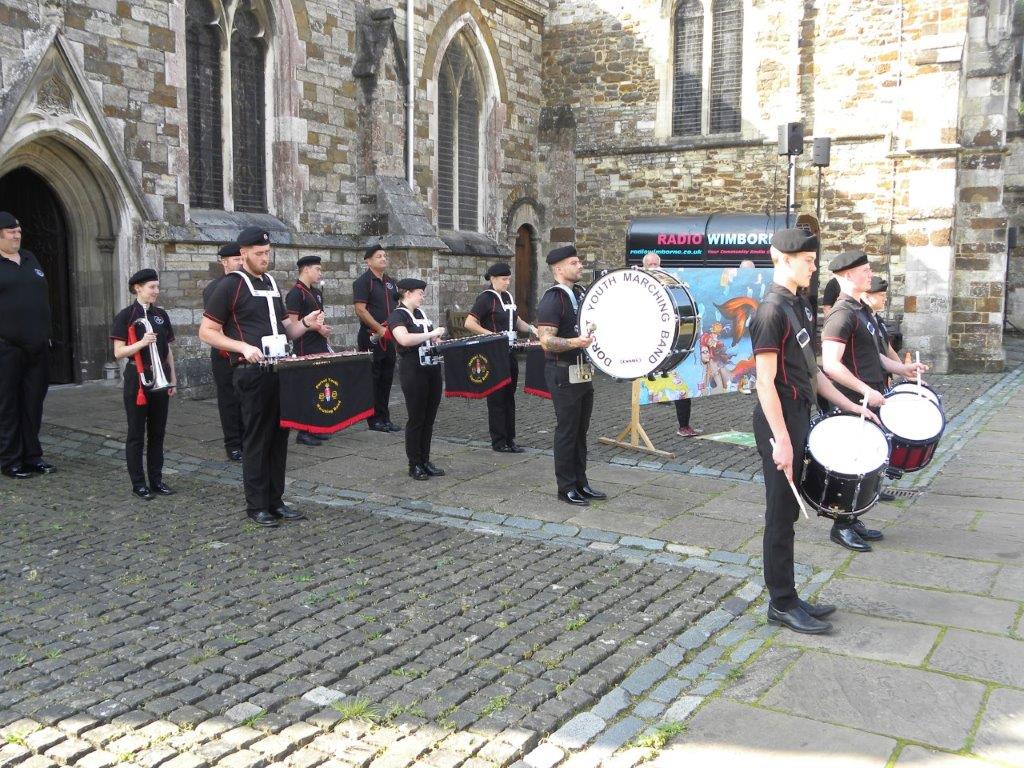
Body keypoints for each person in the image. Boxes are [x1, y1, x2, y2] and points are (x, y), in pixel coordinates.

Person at [751, 229, 881, 634]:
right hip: (778, 421)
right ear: (781, 258)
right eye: (807, 260)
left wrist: (852, 405)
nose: (813, 266)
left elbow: (814, 371)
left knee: (790, 512)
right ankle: (781, 603)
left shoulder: (798, 305)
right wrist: (783, 441)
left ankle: (789, 595)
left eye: (812, 259)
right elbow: (764, 383)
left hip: (797, 414)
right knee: (779, 513)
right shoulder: (770, 311)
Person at [199, 227, 327, 528]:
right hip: (251, 372)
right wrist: (242, 346)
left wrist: (306, 323)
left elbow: (288, 329)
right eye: (259, 254)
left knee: (279, 438)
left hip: (279, 369)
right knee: (257, 438)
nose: (264, 258)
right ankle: (256, 504)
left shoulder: (270, 282)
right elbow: (206, 331)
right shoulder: (230, 286)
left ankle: (275, 500)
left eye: (267, 253)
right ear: (243, 254)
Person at [821, 251, 927, 551]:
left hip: (871, 397)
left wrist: (902, 369)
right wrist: (865, 392)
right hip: (854, 399)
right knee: (850, 463)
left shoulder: (861, 311)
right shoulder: (842, 314)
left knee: (866, 464)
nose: (870, 274)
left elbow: (875, 355)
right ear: (847, 275)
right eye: (865, 271)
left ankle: (852, 519)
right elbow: (831, 364)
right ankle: (840, 525)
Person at [536, 245, 606, 506]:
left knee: (580, 430)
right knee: (567, 431)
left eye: (579, 262)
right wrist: (576, 343)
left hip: (582, 372)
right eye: (574, 263)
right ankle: (565, 487)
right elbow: (546, 341)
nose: (580, 266)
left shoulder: (579, 293)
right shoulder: (554, 298)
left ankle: (581, 483)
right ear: (559, 269)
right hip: (562, 372)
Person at [111, 269, 177, 500]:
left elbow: (167, 350)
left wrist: (173, 379)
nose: (156, 291)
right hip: (137, 379)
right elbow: (119, 352)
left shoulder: (160, 315)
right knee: (136, 434)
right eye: (152, 287)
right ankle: (139, 483)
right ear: (138, 288)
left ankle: (157, 480)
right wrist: (141, 342)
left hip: (160, 379)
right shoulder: (126, 315)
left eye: (157, 287)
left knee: (158, 433)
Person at [0, 211, 55, 480]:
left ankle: (33, 456)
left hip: (37, 347)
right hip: (7, 348)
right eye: (11, 231)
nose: (17, 234)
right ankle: (10, 460)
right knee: (7, 405)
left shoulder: (31, 258)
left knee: (33, 403)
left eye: (19, 231)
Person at [465, 262, 539, 452]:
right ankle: (498, 441)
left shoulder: (507, 296)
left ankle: (510, 439)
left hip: (509, 352)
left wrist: (532, 329)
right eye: (504, 279)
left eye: (509, 279)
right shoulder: (486, 299)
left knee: (509, 397)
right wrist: (492, 335)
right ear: (493, 279)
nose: (508, 282)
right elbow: (469, 323)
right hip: (493, 354)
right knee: (497, 398)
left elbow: (516, 320)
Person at [388, 278, 447, 480]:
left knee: (429, 418)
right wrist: (431, 333)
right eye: (420, 292)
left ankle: (425, 460)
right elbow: (403, 339)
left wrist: (436, 338)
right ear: (408, 293)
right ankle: (415, 463)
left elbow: (428, 337)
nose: (423, 296)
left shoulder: (421, 314)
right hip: (413, 370)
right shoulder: (398, 315)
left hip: (431, 369)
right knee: (416, 418)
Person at [641, 252, 701, 437]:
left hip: (673, 341)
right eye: (649, 264)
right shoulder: (639, 288)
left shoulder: (672, 286)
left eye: (656, 264)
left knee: (682, 384)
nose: (653, 267)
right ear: (644, 267)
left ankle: (684, 425)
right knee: (652, 383)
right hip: (651, 345)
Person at [286, 255, 334, 447]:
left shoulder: (315, 292)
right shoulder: (296, 293)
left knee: (319, 387)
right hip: (305, 347)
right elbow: (292, 324)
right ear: (306, 269)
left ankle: (316, 427)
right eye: (317, 269)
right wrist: (316, 328)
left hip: (319, 345)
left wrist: (323, 329)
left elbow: (318, 319)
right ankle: (303, 432)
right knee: (307, 389)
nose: (320, 273)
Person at [204, 242, 245, 461]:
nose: (240, 262)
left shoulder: (247, 283)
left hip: (245, 351)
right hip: (224, 352)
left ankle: (247, 439)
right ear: (224, 262)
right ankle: (233, 443)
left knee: (246, 398)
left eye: (241, 258)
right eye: (236, 259)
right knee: (228, 399)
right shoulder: (216, 287)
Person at [353, 244, 401, 433]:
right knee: (374, 377)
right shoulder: (363, 282)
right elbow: (360, 309)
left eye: (384, 255)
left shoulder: (391, 282)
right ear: (369, 261)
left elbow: (397, 306)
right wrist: (379, 328)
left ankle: (384, 417)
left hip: (388, 336)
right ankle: (373, 419)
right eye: (379, 256)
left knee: (387, 377)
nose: (383, 258)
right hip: (371, 336)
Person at [863, 276, 901, 379]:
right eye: (881, 295)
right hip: (867, 377)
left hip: (881, 376)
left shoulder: (878, 319)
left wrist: (903, 370)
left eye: (885, 295)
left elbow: (887, 348)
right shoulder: (861, 318)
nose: (885, 298)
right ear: (867, 296)